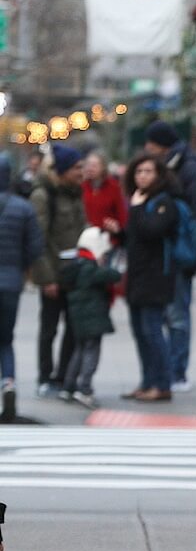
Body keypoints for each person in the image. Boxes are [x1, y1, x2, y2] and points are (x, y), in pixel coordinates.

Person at [144, 120, 196, 394]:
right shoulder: (171, 166)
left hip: (179, 254)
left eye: (150, 143)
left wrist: (192, 254)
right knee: (168, 314)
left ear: (160, 144)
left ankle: (177, 371)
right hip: (164, 253)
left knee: (178, 315)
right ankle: (167, 369)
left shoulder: (187, 167)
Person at [119, 152, 179, 403]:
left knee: (153, 331)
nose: (142, 176)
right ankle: (147, 382)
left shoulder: (164, 202)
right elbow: (134, 238)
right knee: (140, 332)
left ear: (159, 175)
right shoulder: (139, 201)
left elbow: (152, 230)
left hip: (156, 277)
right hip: (136, 275)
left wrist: (136, 209)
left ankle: (162, 384)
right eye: (138, 171)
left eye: (148, 171)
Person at [28, 145, 87, 398]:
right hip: (54, 273)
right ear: (62, 170)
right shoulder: (43, 196)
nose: (82, 172)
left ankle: (64, 375)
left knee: (73, 328)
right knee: (49, 329)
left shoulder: (75, 193)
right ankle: (45, 376)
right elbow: (38, 239)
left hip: (75, 272)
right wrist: (46, 278)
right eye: (77, 168)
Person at [56, 226, 122, 408]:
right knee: (91, 353)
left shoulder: (77, 264)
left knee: (79, 351)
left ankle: (68, 386)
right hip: (93, 319)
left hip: (79, 318)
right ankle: (84, 389)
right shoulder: (90, 267)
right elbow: (114, 275)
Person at [0, 156, 45, 422]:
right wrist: (21, 268)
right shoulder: (23, 208)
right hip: (10, 282)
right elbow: (35, 246)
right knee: (5, 340)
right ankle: (8, 382)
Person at [81, 151, 127, 241]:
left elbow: (121, 214)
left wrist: (118, 230)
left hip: (107, 238)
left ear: (103, 167)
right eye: (88, 165)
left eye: (94, 166)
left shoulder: (114, 188)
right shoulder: (81, 186)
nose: (90, 168)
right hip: (85, 237)